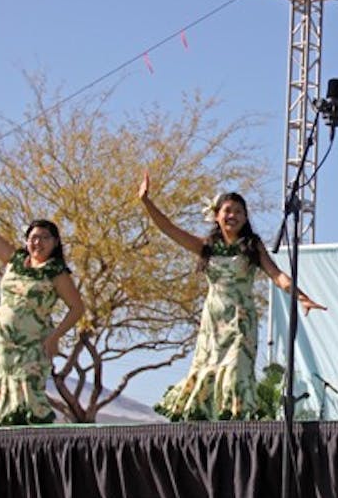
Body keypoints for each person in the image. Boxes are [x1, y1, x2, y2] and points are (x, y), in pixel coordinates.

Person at [139, 171, 326, 421]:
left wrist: (301, 297)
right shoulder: (206, 246)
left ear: (246, 217)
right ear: (217, 216)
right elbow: (169, 229)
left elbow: (277, 275)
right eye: (228, 210)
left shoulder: (252, 246)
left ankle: (235, 422)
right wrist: (146, 202)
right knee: (209, 371)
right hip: (213, 323)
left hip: (241, 320)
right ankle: (210, 425)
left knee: (235, 369)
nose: (233, 216)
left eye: (239, 211)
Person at [0, 181, 84, 426]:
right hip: (2, 344)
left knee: (26, 402)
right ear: (26, 241)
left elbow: (77, 309)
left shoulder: (57, 273)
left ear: (56, 242)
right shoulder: (13, 261)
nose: (38, 242)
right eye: (33, 238)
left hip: (32, 344)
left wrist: (55, 336)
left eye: (45, 238)